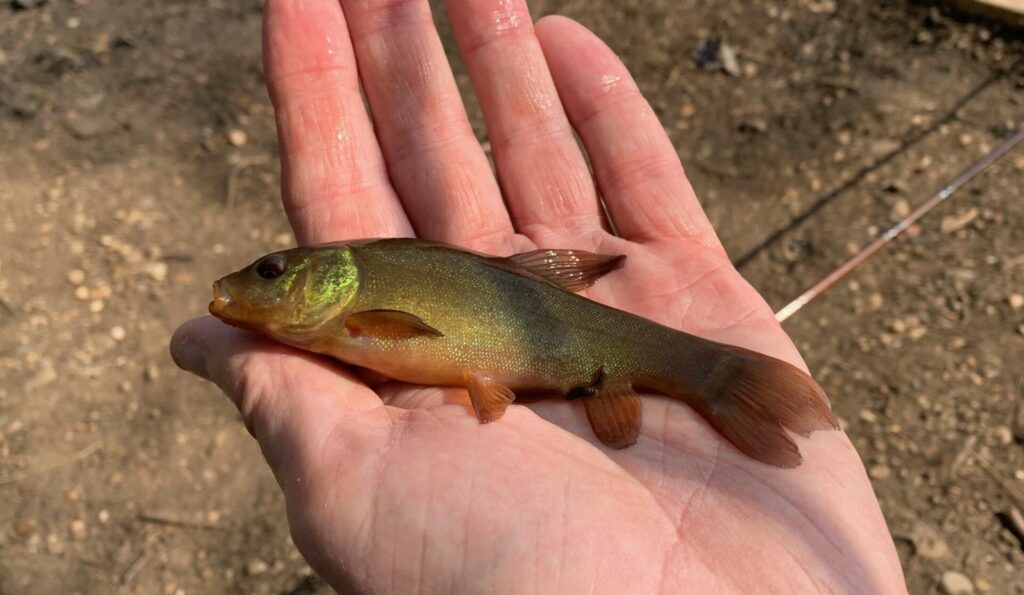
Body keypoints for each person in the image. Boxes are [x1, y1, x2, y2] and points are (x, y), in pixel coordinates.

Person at [170, 0, 907, 592]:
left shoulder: (356, 305)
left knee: (693, 366)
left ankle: (717, 375)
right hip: (529, 351)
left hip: (564, 343)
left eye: (272, 270)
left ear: (326, 277)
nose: (252, 283)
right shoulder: (339, 317)